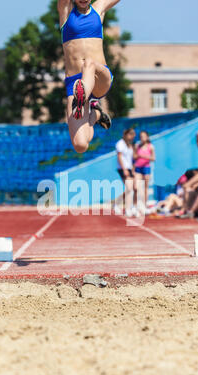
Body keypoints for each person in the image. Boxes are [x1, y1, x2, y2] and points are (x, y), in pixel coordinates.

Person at [58, 0, 119, 154]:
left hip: (100, 76)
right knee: (80, 145)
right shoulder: (66, 10)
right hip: (74, 82)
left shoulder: (98, 9)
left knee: (89, 63)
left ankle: (84, 95)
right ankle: (95, 113)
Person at [115, 128, 136, 217]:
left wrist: (133, 169)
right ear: (126, 134)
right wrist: (124, 169)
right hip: (123, 168)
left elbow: (132, 158)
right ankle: (128, 209)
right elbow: (119, 157)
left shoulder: (130, 145)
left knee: (132, 188)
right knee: (129, 188)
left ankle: (117, 203)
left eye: (133, 135)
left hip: (130, 168)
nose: (132, 137)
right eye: (131, 134)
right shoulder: (120, 144)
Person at [133, 131, 155, 211]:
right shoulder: (137, 146)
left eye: (144, 136)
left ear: (147, 137)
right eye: (141, 136)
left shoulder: (151, 146)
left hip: (146, 168)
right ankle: (134, 206)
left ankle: (144, 206)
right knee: (136, 187)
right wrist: (137, 156)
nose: (142, 138)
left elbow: (153, 158)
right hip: (138, 168)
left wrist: (144, 156)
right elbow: (134, 156)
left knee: (145, 187)